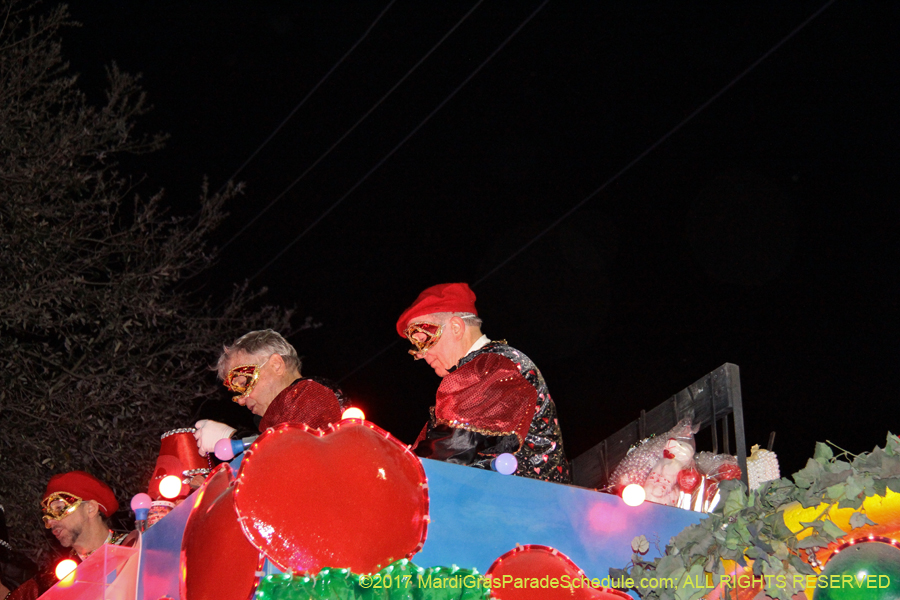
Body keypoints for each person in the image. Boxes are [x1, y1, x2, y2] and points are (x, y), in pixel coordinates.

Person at [397, 283, 570, 483]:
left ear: (455, 327)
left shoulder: (495, 366)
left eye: (423, 339)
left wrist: (393, 475)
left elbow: (449, 450)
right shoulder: (484, 372)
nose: (421, 354)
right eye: (415, 346)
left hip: (524, 507)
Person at [194, 329, 347, 455]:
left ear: (276, 365)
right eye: (237, 391)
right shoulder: (272, 426)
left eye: (243, 383)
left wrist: (233, 439)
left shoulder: (315, 395)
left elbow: (288, 455)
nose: (241, 400)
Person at [9, 471, 134, 600]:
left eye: (58, 508)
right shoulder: (52, 582)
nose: (50, 522)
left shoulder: (134, 549)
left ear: (90, 508)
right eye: (47, 515)